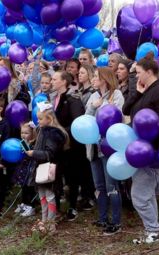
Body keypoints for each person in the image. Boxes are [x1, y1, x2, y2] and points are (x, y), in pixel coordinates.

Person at [122, 54, 159, 244]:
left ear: (150, 72)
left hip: (151, 152)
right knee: (146, 194)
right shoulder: (144, 91)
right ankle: (152, 231)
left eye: (138, 73)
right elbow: (126, 110)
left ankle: (153, 231)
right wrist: (137, 92)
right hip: (139, 151)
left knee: (139, 196)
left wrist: (154, 153)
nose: (136, 76)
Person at [85, 67, 124, 235]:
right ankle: (102, 217)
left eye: (95, 76)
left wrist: (106, 106)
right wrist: (94, 107)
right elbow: (86, 119)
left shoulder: (117, 95)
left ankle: (116, 221)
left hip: (108, 147)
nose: (92, 79)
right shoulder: (93, 97)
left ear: (104, 79)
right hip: (93, 146)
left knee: (111, 185)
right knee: (99, 185)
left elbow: (118, 117)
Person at [51, 70, 91, 221]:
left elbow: (77, 123)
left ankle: (72, 207)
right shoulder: (55, 98)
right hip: (56, 145)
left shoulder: (73, 99)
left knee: (72, 177)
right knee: (56, 176)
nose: (52, 81)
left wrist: (59, 130)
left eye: (55, 79)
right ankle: (55, 209)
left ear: (63, 82)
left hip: (71, 146)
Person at [26, 105, 68, 234]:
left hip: (49, 169)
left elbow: (49, 153)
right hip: (40, 168)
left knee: (50, 196)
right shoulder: (42, 131)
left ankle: (51, 225)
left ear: (49, 119)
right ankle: (44, 221)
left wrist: (34, 153)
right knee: (42, 196)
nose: (38, 121)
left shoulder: (53, 134)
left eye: (40, 119)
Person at [13, 122, 37, 218]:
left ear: (32, 134)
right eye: (22, 132)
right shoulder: (21, 142)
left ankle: (31, 206)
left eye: (26, 133)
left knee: (30, 188)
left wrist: (25, 145)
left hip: (30, 169)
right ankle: (24, 203)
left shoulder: (33, 143)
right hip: (22, 169)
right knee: (23, 187)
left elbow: (29, 154)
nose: (23, 135)